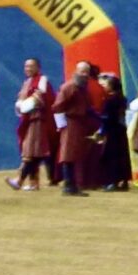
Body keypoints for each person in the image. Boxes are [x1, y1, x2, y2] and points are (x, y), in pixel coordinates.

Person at [11, 58, 58, 191]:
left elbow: (40, 99)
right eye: (26, 66)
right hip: (29, 119)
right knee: (34, 152)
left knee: (32, 151)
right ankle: (33, 182)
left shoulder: (42, 81)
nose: (28, 69)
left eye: (31, 66)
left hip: (38, 121)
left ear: (38, 67)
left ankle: (20, 180)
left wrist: (23, 105)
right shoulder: (28, 82)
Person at [54, 62, 99, 196]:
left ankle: (74, 184)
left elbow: (87, 106)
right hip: (70, 122)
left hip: (80, 123)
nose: (85, 75)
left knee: (76, 154)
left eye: (87, 72)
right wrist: (61, 124)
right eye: (82, 71)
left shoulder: (83, 88)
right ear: (76, 71)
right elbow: (57, 106)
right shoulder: (69, 87)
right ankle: (68, 185)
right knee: (68, 154)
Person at [97, 69, 134, 191]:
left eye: (106, 84)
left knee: (111, 156)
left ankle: (112, 181)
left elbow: (107, 117)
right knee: (122, 155)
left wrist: (99, 123)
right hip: (121, 130)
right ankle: (124, 181)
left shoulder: (110, 101)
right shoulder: (122, 99)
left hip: (112, 132)